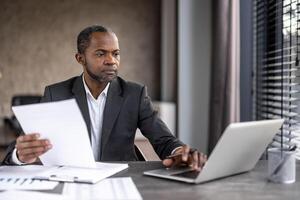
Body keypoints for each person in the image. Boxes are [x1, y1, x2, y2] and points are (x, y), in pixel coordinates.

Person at [2, 25, 206, 170]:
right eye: (101, 54)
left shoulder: (134, 94)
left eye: (116, 54)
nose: (111, 61)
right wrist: (19, 154)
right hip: (71, 180)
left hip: (121, 179)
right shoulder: (56, 93)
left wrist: (180, 152)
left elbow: (164, 140)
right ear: (80, 58)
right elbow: (22, 143)